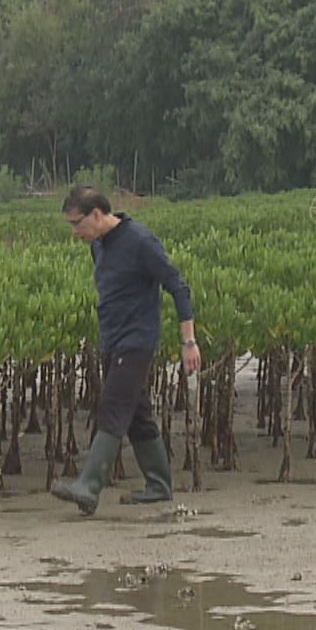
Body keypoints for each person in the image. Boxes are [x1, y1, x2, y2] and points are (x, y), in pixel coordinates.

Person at [51, 185, 198, 515]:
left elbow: (177, 286)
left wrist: (188, 341)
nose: (75, 232)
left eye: (77, 224)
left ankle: (89, 486)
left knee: (114, 406)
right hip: (113, 340)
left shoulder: (140, 241)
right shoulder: (98, 246)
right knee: (137, 415)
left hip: (137, 340)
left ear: (97, 214)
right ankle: (159, 485)